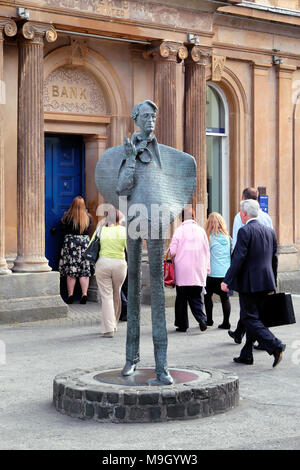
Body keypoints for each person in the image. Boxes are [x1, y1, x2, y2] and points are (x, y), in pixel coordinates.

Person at [95, 100, 196, 385]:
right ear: (135, 119)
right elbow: (121, 188)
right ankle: (131, 358)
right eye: (146, 116)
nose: (151, 120)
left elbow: (172, 187)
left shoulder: (168, 156)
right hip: (134, 219)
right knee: (135, 291)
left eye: (154, 115)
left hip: (157, 221)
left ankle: (162, 365)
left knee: (158, 292)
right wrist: (129, 160)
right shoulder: (125, 151)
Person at [221, 199, 285, 367]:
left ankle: (275, 345)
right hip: (266, 281)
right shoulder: (270, 232)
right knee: (255, 317)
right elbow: (274, 259)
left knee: (248, 317)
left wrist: (227, 280)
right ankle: (247, 354)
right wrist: (273, 282)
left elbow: (238, 259)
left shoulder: (244, 231)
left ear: (244, 214)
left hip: (250, 283)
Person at [228, 187, 273, 345]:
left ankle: (269, 342)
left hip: (247, 269)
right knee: (255, 308)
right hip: (265, 271)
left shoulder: (240, 217)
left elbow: (237, 247)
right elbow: (272, 246)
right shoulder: (267, 217)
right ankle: (246, 344)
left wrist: (230, 275)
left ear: (243, 198)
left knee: (248, 309)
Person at [168, 206, 210, 333]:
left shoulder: (179, 231)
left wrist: (169, 253)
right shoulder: (201, 231)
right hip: (198, 269)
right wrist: (207, 268)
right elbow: (207, 251)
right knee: (196, 297)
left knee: (181, 298)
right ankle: (201, 319)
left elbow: (173, 251)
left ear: (181, 218)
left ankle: (182, 324)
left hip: (182, 270)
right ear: (194, 216)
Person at [93, 208, 127, 338]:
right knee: (116, 293)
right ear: (119, 219)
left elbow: (91, 245)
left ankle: (108, 329)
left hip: (103, 264)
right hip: (119, 264)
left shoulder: (100, 230)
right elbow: (130, 249)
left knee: (106, 296)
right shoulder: (123, 231)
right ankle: (113, 323)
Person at [59, 196, 94, 304]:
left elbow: (62, 227)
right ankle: (84, 294)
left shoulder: (67, 217)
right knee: (84, 271)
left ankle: (70, 295)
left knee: (71, 271)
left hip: (71, 244)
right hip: (84, 244)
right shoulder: (88, 217)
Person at [204, 212, 231, 329]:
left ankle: (209, 320)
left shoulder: (209, 238)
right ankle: (226, 322)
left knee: (207, 296)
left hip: (212, 273)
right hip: (225, 273)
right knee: (225, 298)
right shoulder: (228, 238)